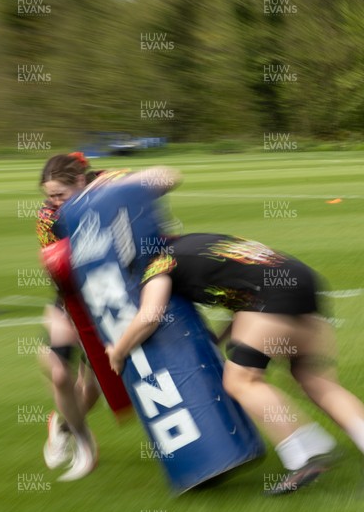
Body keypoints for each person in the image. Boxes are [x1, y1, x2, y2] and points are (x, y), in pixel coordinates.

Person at [106, 232, 364, 494]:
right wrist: (217, 339)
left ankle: (307, 452)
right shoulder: (200, 241)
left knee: (242, 381)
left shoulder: (160, 263)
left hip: (271, 295)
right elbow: (243, 293)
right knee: (317, 382)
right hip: (303, 281)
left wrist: (119, 351)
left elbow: (150, 316)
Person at [37, 152, 128, 481]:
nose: (54, 202)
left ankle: (60, 424)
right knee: (59, 373)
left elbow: (144, 183)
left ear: (79, 181)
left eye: (60, 194)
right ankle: (83, 441)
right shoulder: (48, 216)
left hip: (105, 297)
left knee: (90, 389)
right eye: (50, 196)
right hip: (70, 297)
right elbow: (56, 268)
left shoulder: (108, 184)